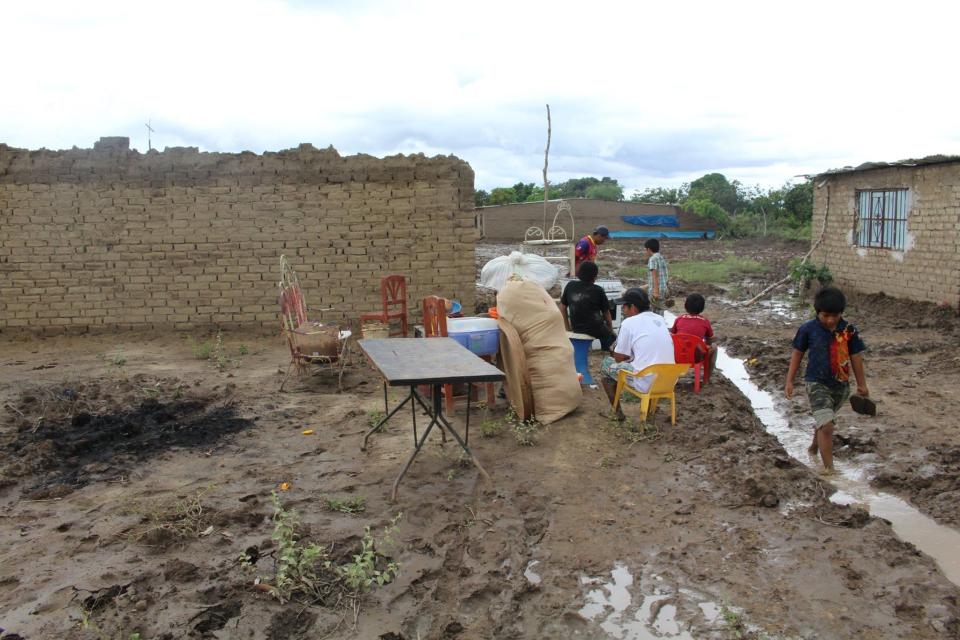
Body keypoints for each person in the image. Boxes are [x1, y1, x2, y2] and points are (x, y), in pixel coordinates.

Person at [784, 287, 868, 474]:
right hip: (816, 382)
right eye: (825, 315)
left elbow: (856, 357)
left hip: (841, 385)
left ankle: (814, 448)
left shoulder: (849, 331)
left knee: (824, 422)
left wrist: (862, 384)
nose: (830, 320)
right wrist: (789, 381)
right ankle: (829, 470)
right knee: (827, 425)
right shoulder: (808, 329)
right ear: (817, 312)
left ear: (841, 313)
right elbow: (797, 353)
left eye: (835, 315)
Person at [599, 288, 675, 420]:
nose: (622, 309)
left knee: (606, 365)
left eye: (624, 306)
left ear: (633, 307)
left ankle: (617, 413)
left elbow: (618, 358)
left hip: (645, 382)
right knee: (648, 362)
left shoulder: (628, 323)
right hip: (669, 380)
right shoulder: (659, 319)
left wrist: (617, 351)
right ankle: (651, 409)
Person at [560, 261, 616, 351]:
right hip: (596, 328)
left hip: (577, 328)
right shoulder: (598, 290)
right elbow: (606, 314)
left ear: (579, 273)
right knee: (611, 338)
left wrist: (567, 328)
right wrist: (611, 330)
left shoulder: (570, 286)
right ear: (595, 277)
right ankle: (608, 354)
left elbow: (562, 308)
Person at [670, 293, 717, 377]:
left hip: (677, 356)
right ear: (702, 308)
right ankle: (707, 377)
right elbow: (711, 338)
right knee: (714, 346)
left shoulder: (679, 319)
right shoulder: (705, 321)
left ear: (685, 306)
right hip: (696, 358)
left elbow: (673, 334)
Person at [643, 238, 670, 315]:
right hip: (663, 290)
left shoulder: (652, 259)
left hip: (656, 291)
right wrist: (667, 288)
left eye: (645, 250)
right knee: (660, 312)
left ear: (648, 249)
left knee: (652, 313)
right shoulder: (661, 257)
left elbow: (655, 275)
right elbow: (665, 275)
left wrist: (655, 292)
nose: (645, 252)